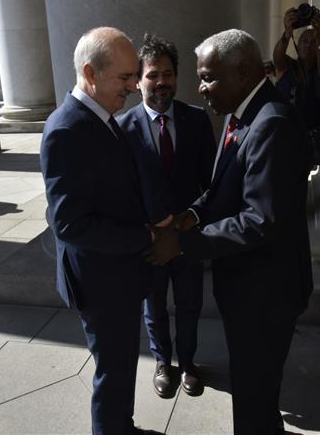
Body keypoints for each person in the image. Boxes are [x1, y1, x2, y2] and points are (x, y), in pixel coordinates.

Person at [145, 29, 313, 434]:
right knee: (254, 394)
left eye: (208, 78)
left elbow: (260, 219)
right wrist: (192, 214)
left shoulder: (272, 123)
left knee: (255, 399)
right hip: (245, 289)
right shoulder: (239, 113)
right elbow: (222, 189)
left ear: (242, 72)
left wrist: (182, 245)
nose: (201, 89)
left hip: (265, 295)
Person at [40, 27, 163, 435]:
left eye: (134, 76)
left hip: (116, 274)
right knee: (113, 372)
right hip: (101, 282)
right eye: (125, 78)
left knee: (122, 364)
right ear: (91, 74)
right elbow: (69, 223)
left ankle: (121, 427)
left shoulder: (100, 118)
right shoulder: (67, 130)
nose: (132, 87)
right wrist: (146, 236)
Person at [117, 34, 216, 399]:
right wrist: (147, 229)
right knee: (154, 304)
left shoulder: (197, 120)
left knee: (190, 303)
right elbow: (123, 191)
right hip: (150, 240)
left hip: (188, 234)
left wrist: (192, 220)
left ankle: (188, 362)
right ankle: (163, 362)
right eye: (153, 75)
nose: (162, 82)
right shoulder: (123, 128)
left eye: (168, 74)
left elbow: (211, 182)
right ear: (139, 80)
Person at [273, 6, 320, 136]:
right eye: (304, 41)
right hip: (283, 137)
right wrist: (287, 33)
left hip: (308, 140)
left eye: (313, 42)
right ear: (298, 44)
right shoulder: (287, 66)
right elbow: (277, 57)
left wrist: (319, 37)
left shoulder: (319, 71)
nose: (308, 45)